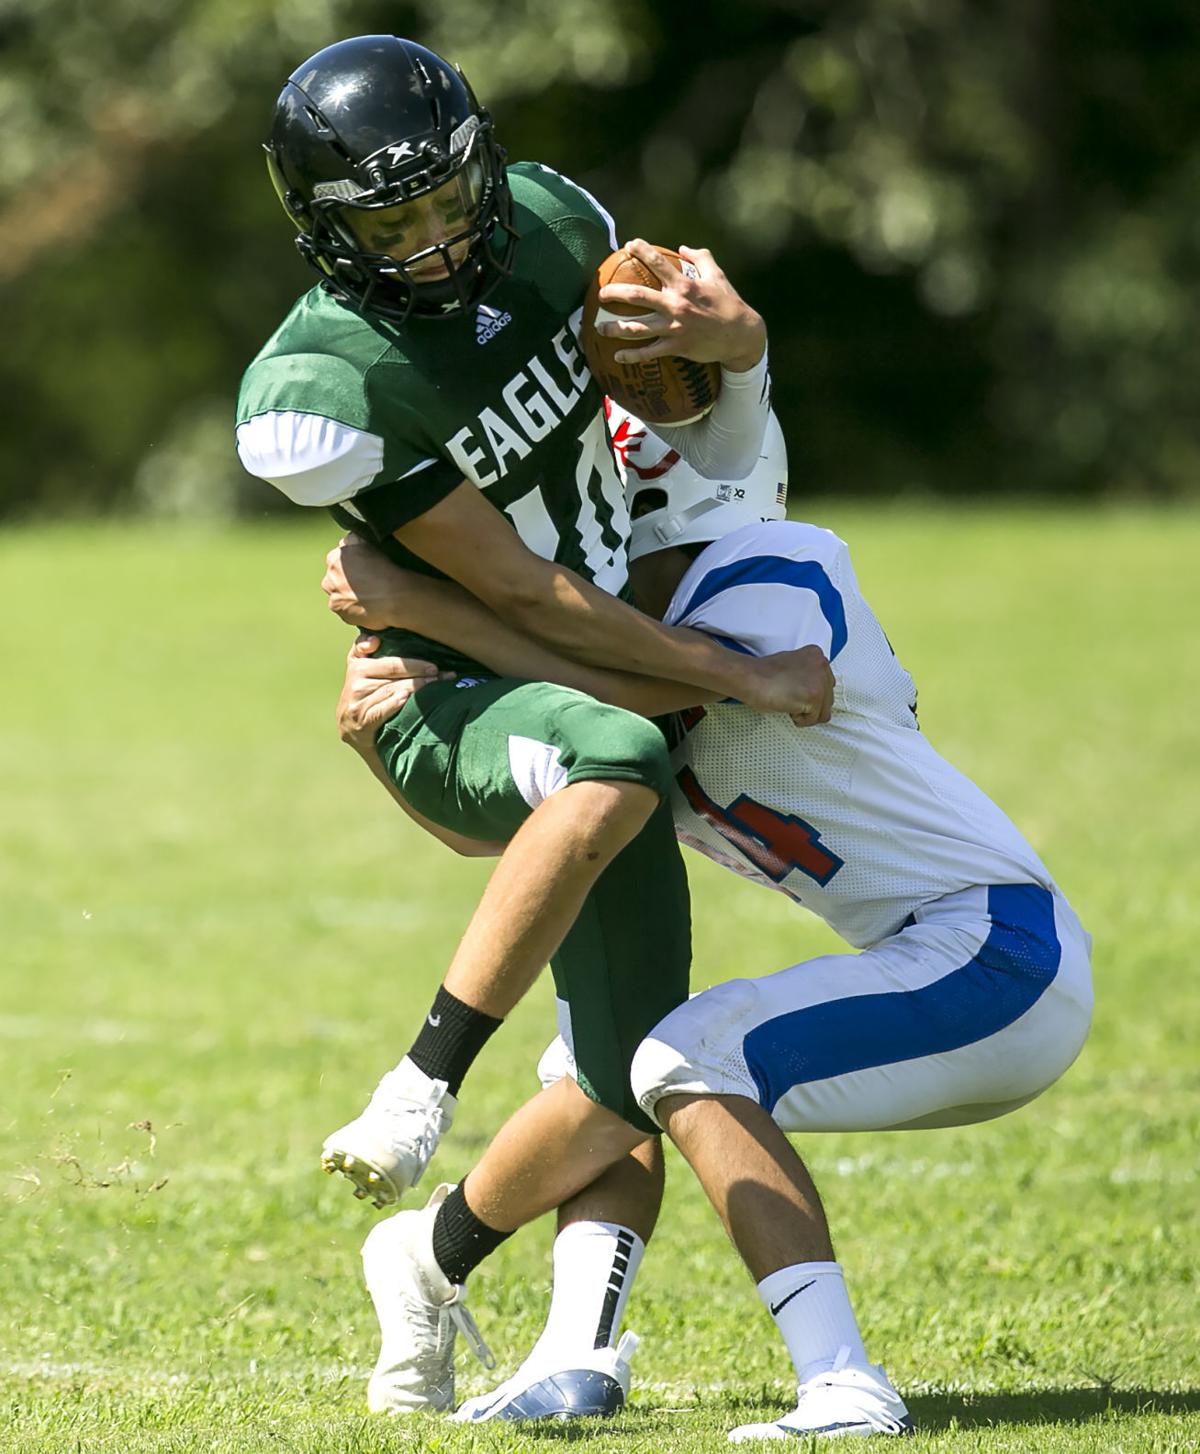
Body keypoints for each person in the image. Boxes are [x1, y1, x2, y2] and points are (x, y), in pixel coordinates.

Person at [235, 28, 832, 1402]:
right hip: (452, 690)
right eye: (397, 217)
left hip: (592, 667)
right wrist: (729, 672)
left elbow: (643, 431)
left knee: (632, 1064)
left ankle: (427, 1260)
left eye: (452, 197)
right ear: (327, 230)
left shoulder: (562, 226)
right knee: (618, 746)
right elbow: (528, 593)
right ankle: (420, 1084)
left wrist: (707, 348)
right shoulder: (323, 390)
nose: (441, 238)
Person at [332, 407, 1093, 1438]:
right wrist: (394, 726)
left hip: (1000, 951)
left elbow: (652, 680)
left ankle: (841, 1379)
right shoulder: (625, 671)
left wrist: (441, 615)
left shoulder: (777, 574)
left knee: (694, 1051)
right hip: (943, 955)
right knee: (603, 1056)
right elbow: (522, 812)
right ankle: (549, 1334)